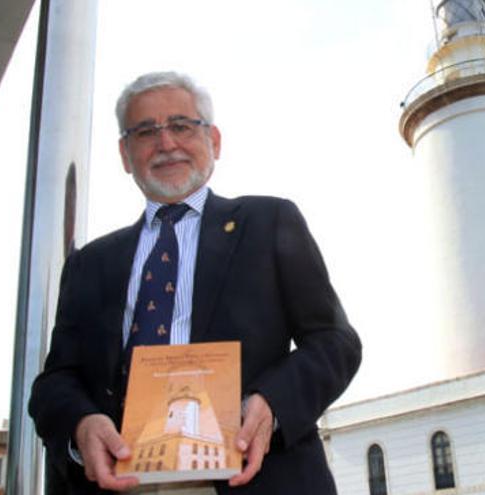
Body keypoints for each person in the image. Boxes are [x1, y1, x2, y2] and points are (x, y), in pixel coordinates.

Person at [29, 71, 362, 494]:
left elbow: (335, 341)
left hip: (253, 477)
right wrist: (80, 423)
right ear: (125, 154)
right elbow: (56, 380)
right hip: (121, 480)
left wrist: (272, 403)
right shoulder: (89, 263)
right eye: (146, 131)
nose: (166, 143)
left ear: (214, 141)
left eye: (181, 126)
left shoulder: (269, 222)